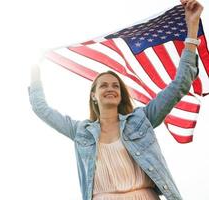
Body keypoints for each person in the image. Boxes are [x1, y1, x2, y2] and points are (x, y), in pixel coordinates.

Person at [28, 0, 203, 199]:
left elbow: (179, 85)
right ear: (93, 95)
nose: (110, 88)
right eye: (103, 85)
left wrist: (192, 28)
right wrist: (34, 69)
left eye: (115, 85)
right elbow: (41, 108)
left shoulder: (141, 119)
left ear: (121, 94)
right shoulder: (80, 132)